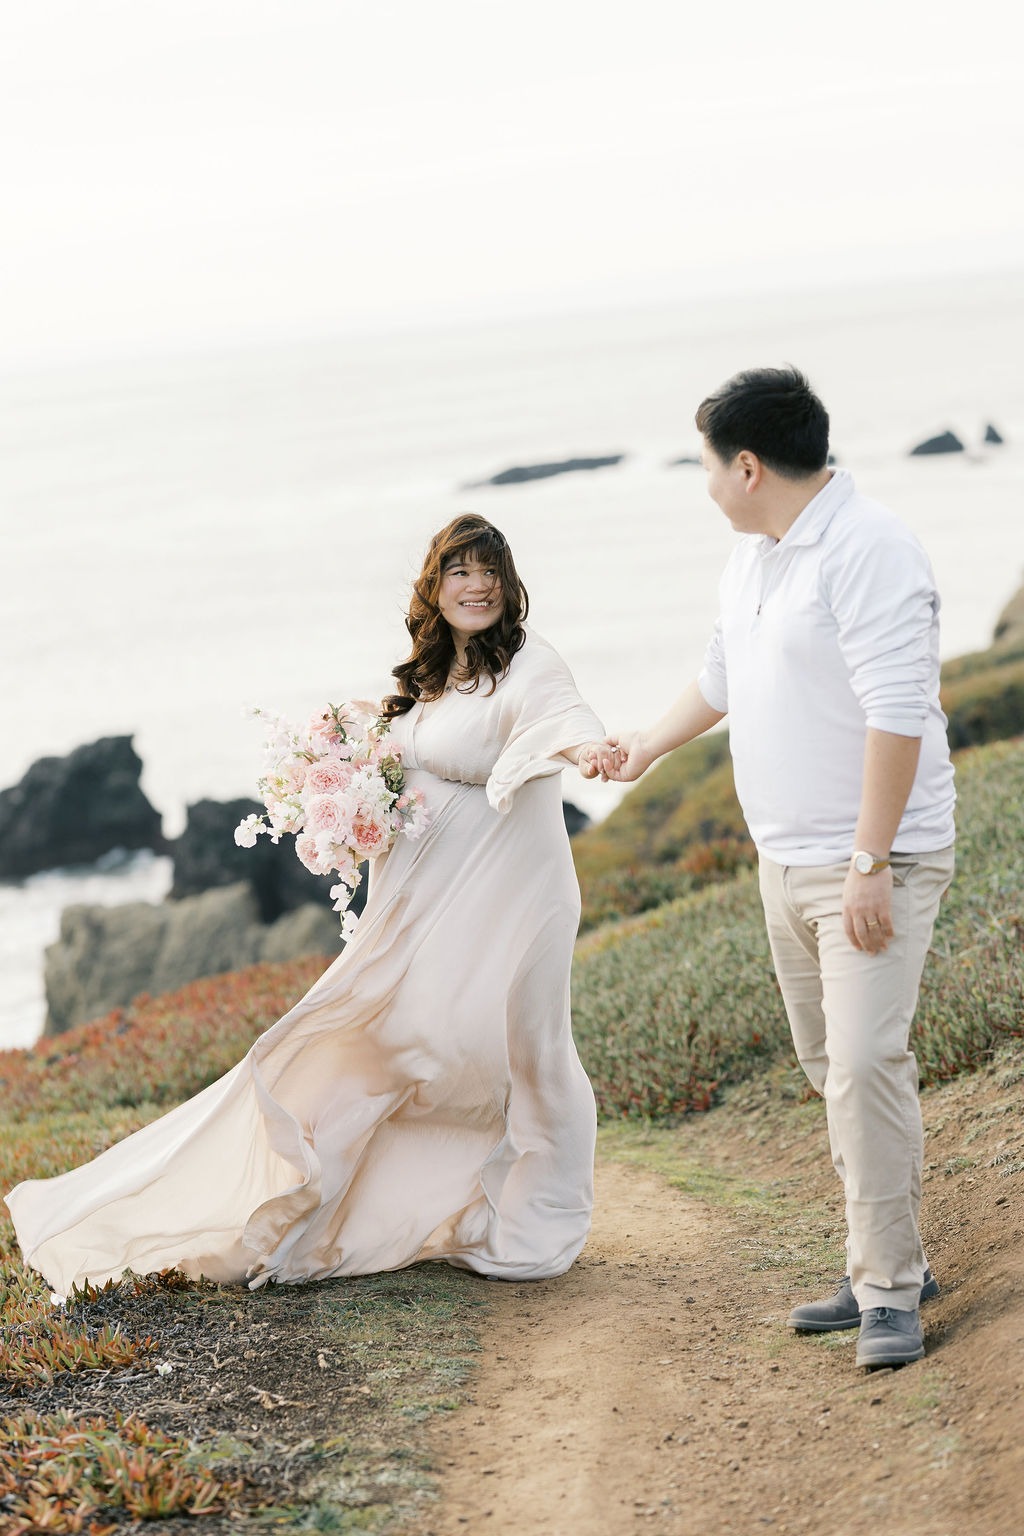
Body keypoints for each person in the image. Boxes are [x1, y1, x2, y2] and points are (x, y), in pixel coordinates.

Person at [7, 514, 607, 1294]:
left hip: (515, 901)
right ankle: (361, 1202)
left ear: (510, 583)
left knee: (523, 1050)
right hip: (424, 910)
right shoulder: (428, 682)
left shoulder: (528, 664)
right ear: (436, 585)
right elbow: (402, 753)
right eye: (460, 570)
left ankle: (536, 1217)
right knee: (389, 1045)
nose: (479, 584)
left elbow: (558, 721)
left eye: (491, 570)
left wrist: (591, 749)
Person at [597, 368, 956, 1370]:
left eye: (709, 465)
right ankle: (890, 1256)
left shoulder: (869, 549)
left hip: (869, 865)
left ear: (747, 466)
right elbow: (721, 673)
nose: (706, 483)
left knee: (863, 1066)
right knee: (828, 1067)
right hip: (783, 863)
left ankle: (887, 1295)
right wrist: (643, 748)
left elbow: (897, 715)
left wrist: (869, 860)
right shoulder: (755, 558)